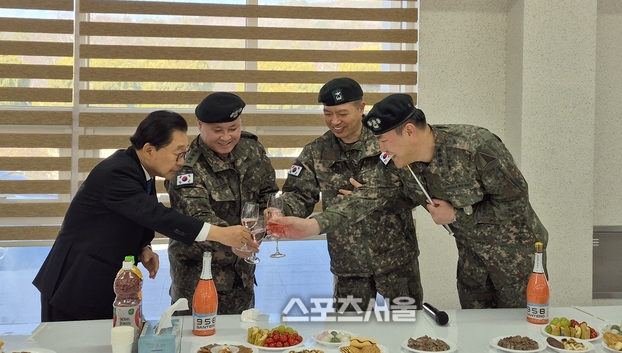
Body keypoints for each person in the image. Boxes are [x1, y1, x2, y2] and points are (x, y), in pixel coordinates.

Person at [277, 93, 548, 309]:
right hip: (471, 257)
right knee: (476, 330)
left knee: (519, 333)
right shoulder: (399, 163)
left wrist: (457, 216)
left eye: (383, 140)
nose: (381, 149)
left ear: (409, 131)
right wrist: (313, 226)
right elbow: (367, 197)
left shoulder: (475, 147)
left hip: (516, 256)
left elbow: (515, 202)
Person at [33, 110, 254, 322]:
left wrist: (143, 247)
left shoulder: (138, 169)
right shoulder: (117, 172)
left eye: (184, 153)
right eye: (178, 154)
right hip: (74, 286)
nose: (181, 161)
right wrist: (220, 233)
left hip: (101, 282)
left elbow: (134, 214)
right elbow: (156, 215)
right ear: (149, 150)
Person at [281, 77, 422, 312]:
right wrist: (280, 210)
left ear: (361, 107)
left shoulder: (387, 141)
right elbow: (299, 195)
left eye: (342, 113)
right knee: (350, 330)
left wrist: (369, 199)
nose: (335, 121)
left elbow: (414, 192)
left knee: (408, 325)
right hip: (348, 265)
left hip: (397, 261)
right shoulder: (316, 151)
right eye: (328, 113)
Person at [165, 92, 278, 314]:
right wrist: (235, 240)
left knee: (241, 331)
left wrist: (269, 218)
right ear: (200, 125)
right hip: (198, 275)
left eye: (233, 128)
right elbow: (196, 217)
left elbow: (268, 194)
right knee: (195, 333)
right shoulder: (186, 165)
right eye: (217, 130)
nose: (226, 137)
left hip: (242, 274)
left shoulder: (252, 150)